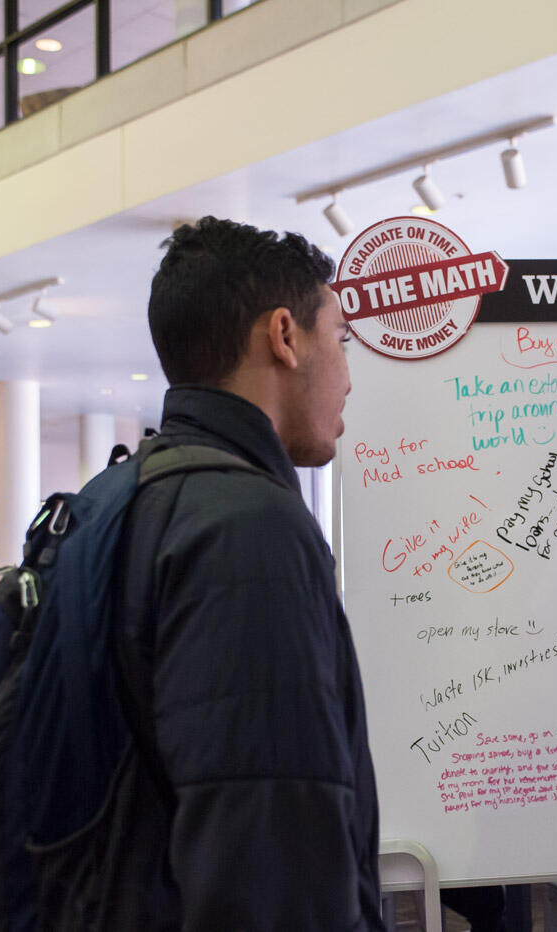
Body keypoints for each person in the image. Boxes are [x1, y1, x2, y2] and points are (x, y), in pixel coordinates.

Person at [92, 217, 380, 928]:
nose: (348, 374)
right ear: (284, 336)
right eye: (341, 340)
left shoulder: (117, 496)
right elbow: (270, 866)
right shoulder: (247, 529)